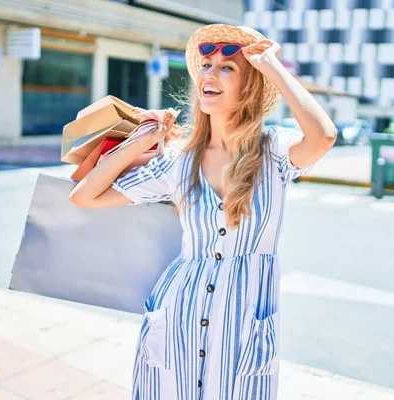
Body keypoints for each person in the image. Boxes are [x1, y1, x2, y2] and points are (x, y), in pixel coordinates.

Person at [69, 24, 337, 400]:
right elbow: (84, 196)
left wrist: (270, 66)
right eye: (206, 66)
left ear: (251, 86)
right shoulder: (180, 162)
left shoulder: (273, 150)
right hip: (177, 314)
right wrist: (143, 140)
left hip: (243, 324)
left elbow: (323, 136)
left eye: (227, 68)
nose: (210, 74)